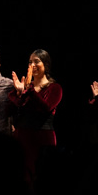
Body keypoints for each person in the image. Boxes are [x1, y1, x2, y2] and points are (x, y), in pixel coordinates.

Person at [8, 49, 62, 181]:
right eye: (30, 62)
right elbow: (11, 109)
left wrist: (30, 90)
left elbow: (46, 108)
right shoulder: (26, 87)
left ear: (46, 64)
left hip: (42, 137)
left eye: (36, 61)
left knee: (43, 176)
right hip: (22, 137)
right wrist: (20, 93)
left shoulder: (54, 88)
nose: (32, 65)